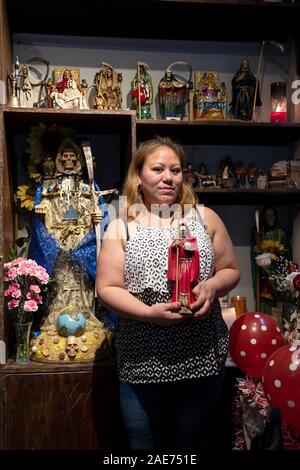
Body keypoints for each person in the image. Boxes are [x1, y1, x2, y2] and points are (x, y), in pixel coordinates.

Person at [96, 136, 240, 450]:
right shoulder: (122, 226)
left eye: (175, 170)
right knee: (144, 447)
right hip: (141, 362)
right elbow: (106, 288)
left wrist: (212, 286)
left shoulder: (205, 218)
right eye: (158, 169)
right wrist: (149, 313)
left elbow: (230, 269)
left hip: (200, 359)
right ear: (138, 176)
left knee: (191, 446)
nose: (168, 177)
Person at [28, 138, 112, 362]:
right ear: (58, 159)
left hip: (81, 241)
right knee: (59, 284)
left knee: (82, 284)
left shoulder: (87, 186)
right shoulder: (47, 185)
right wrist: (41, 212)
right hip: (56, 243)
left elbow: (100, 212)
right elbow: (38, 217)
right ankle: (53, 322)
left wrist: (97, 218)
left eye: (71, 156)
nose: (67, 159)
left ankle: (86, 319)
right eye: (64, 156)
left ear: (77, 159)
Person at [251, 206, 291, 314]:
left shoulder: (281, 232)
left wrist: (276, 254)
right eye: (267, 216)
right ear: (264, 217)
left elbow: (287, 250)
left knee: (278, 299)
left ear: (275, 216)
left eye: (272, 215)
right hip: (264, 273)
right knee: (264, 300)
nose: (270, 218)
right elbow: (256, 249)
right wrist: (257, 249)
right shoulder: (260, 232)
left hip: (278, 271)